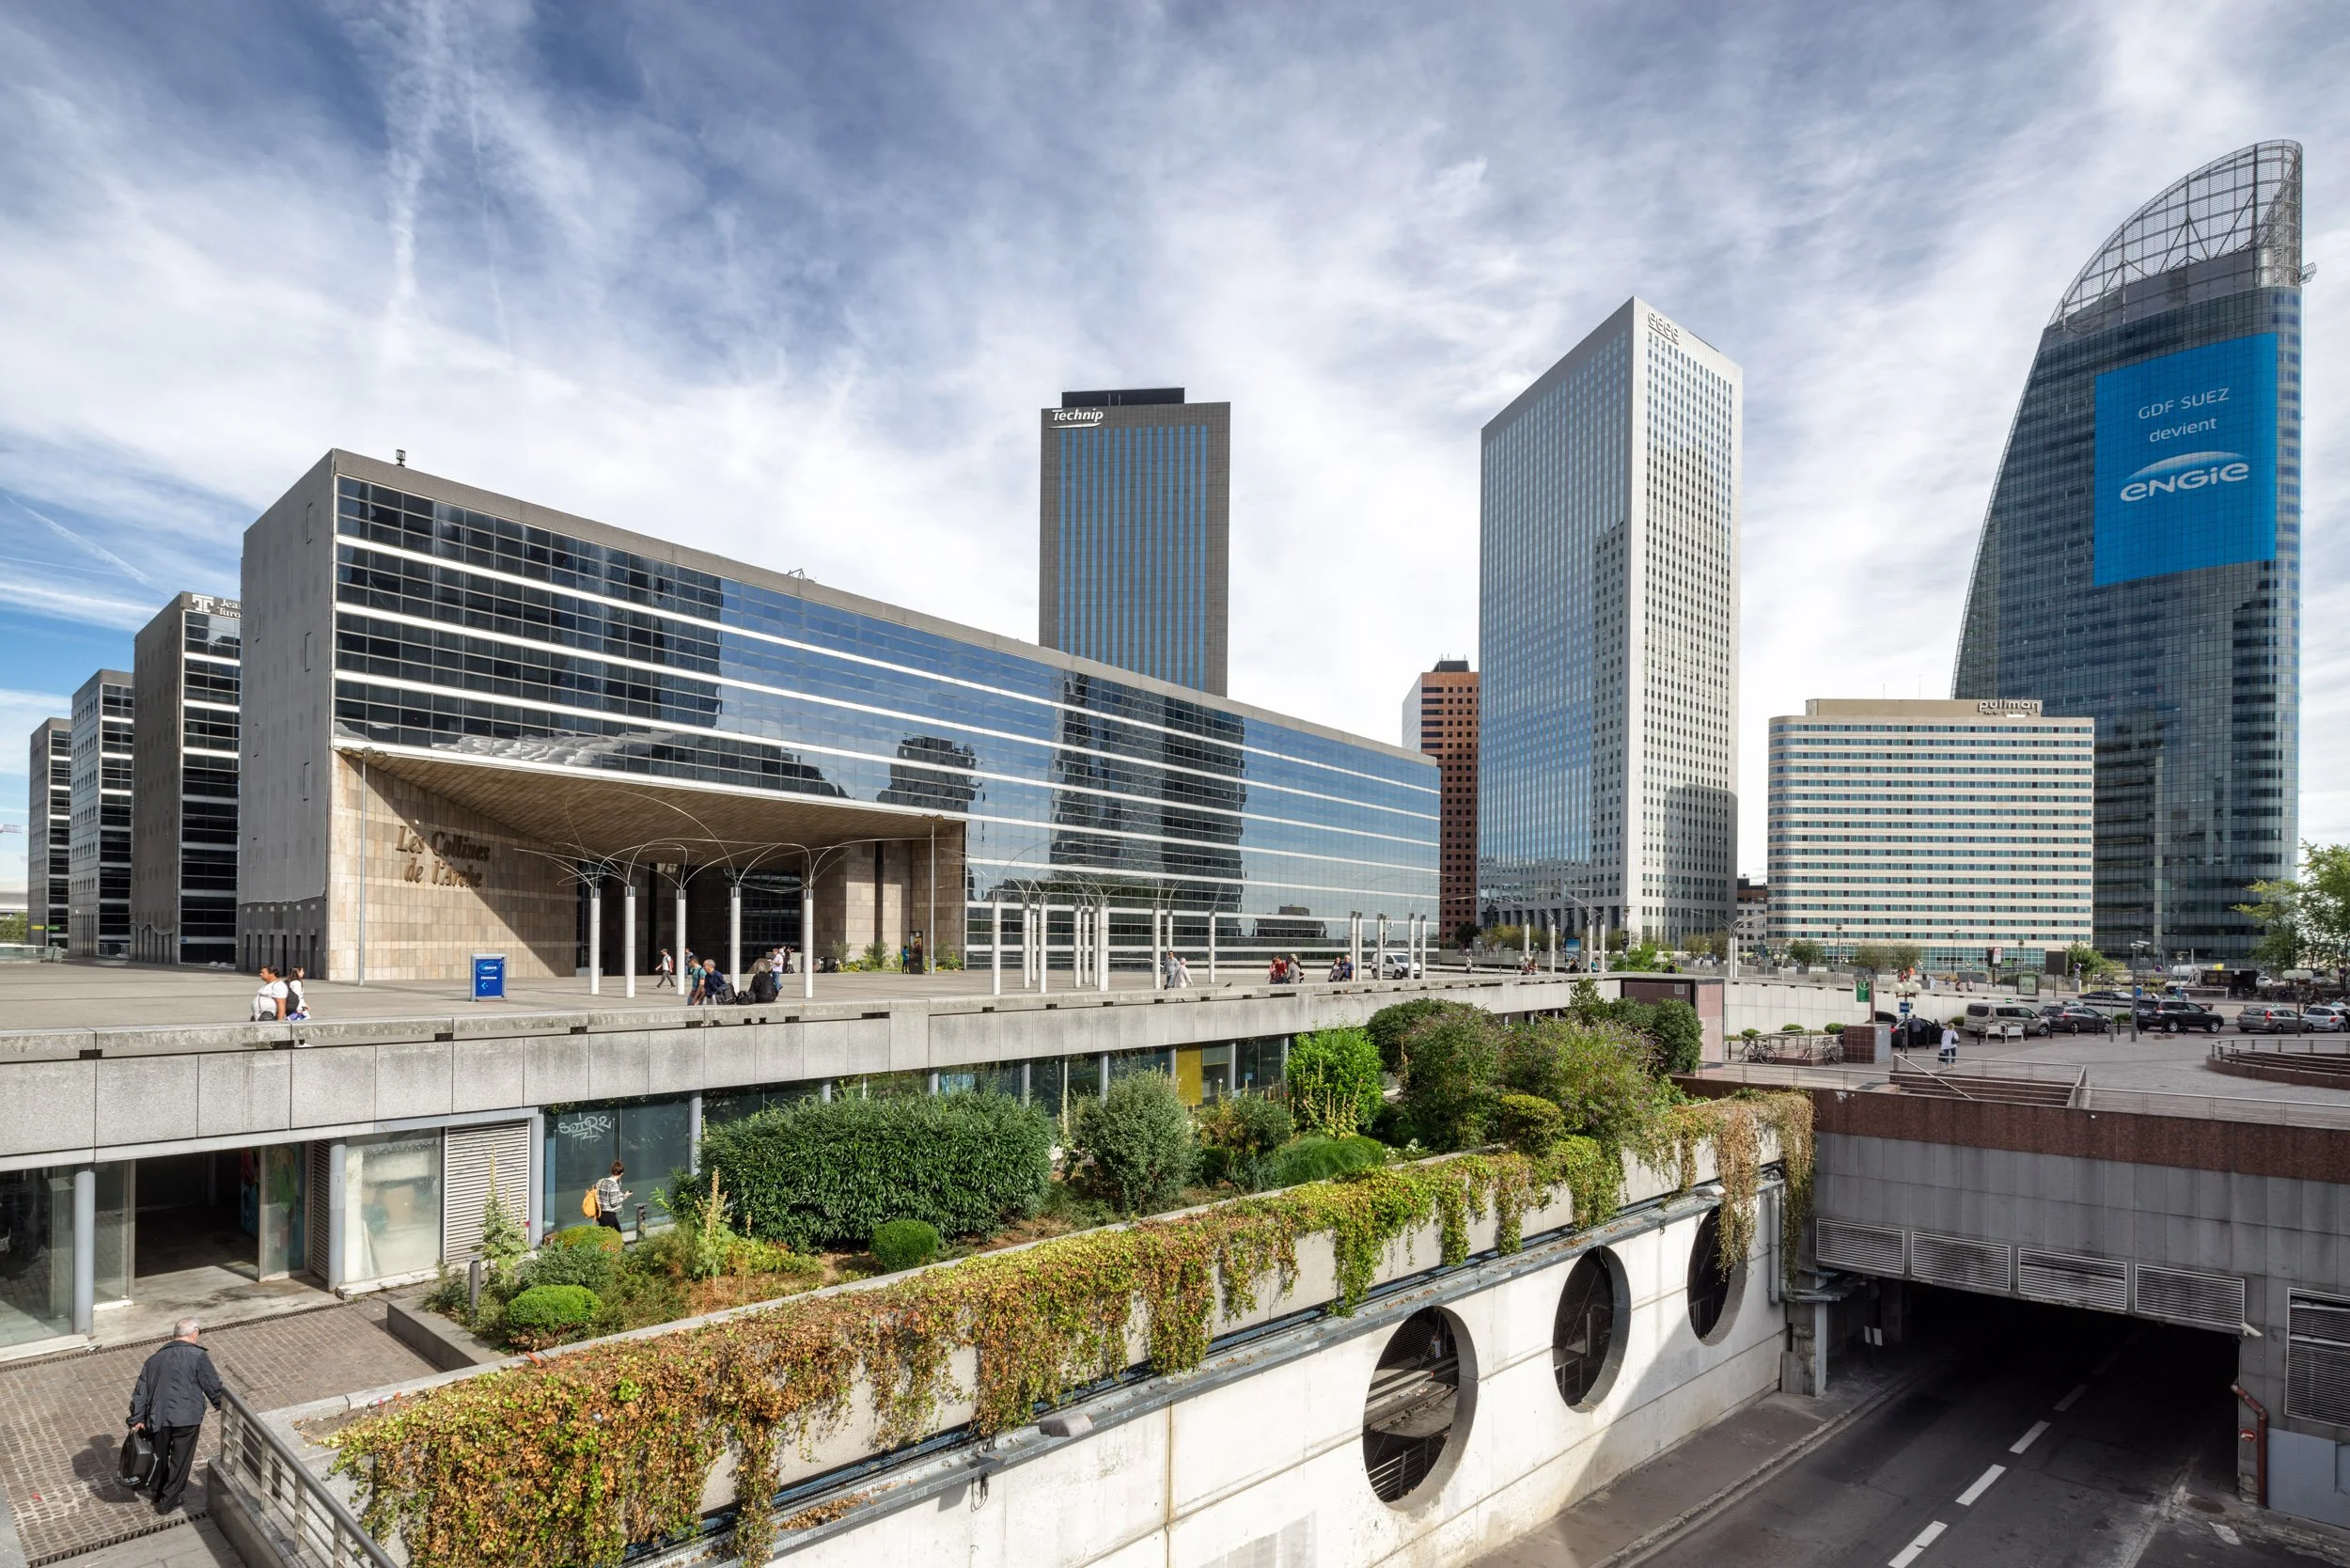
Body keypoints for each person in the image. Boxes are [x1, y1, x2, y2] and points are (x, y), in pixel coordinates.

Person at [128, 1317, 225, 1515]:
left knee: (160, 1456)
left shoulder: (154, 1359)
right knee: (181, 1460)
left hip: (158, 1417)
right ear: (194, 1333)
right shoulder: (198, 1356)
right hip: (186, 1417)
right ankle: (168, 1500)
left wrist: (137, 1418)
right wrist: (219, 1403)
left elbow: (141, 1390)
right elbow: (211, 1384)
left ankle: (158, 1492)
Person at [596, 1161, 631, 1233]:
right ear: (621, 1174)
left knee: (616, 1231)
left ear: (612, 1171)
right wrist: (625, 1197)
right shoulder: (614, 1185)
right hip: (608, 1214)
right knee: (610, 1237)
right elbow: (614, 1203)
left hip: (599, 1212)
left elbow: (602, 1194)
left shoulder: (601, 1181)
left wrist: (621, 1194)